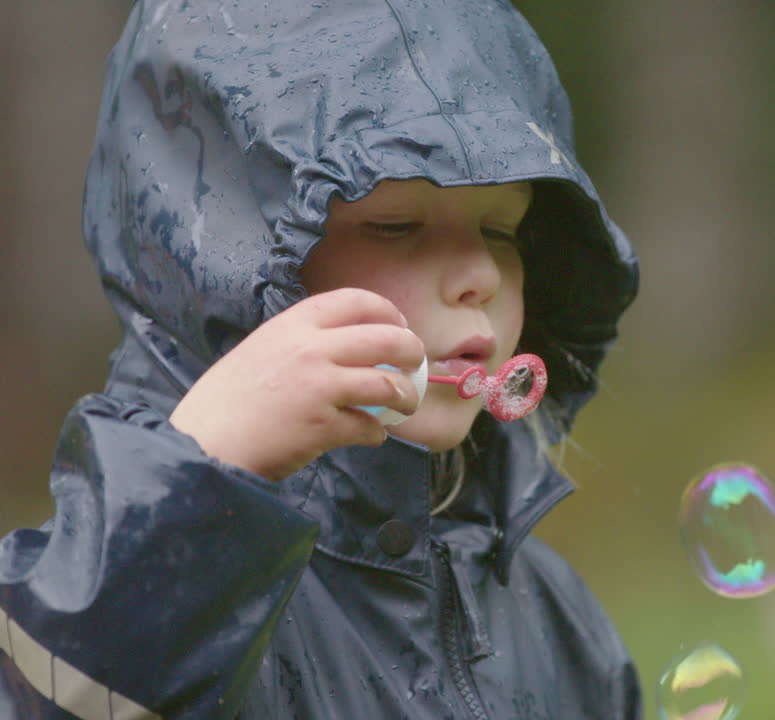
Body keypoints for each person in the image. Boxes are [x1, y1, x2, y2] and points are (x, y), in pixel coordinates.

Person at [0, 0, 641, 717]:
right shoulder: (106, 601)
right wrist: (196, 482)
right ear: (225, 262)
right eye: (397, 225)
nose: (481, 276)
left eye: (501, 231)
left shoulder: (555, 618)